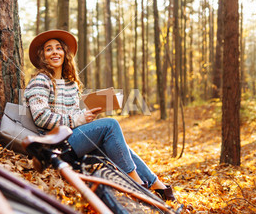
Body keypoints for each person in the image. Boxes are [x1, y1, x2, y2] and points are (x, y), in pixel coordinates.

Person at [24, 29, 175, 201]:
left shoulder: (70, 85)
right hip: (54, 146)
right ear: (42, 56)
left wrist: (86, 117)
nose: (55, 52)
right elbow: (41, 117)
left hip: (72, 139)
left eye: (58, 48)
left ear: (65, 53)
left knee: (119, 145)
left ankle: (159, 187)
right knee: (110, 125)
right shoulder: (40, 80)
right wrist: (79, 118)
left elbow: (72, 118)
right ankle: (138, 186)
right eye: (49, 49)